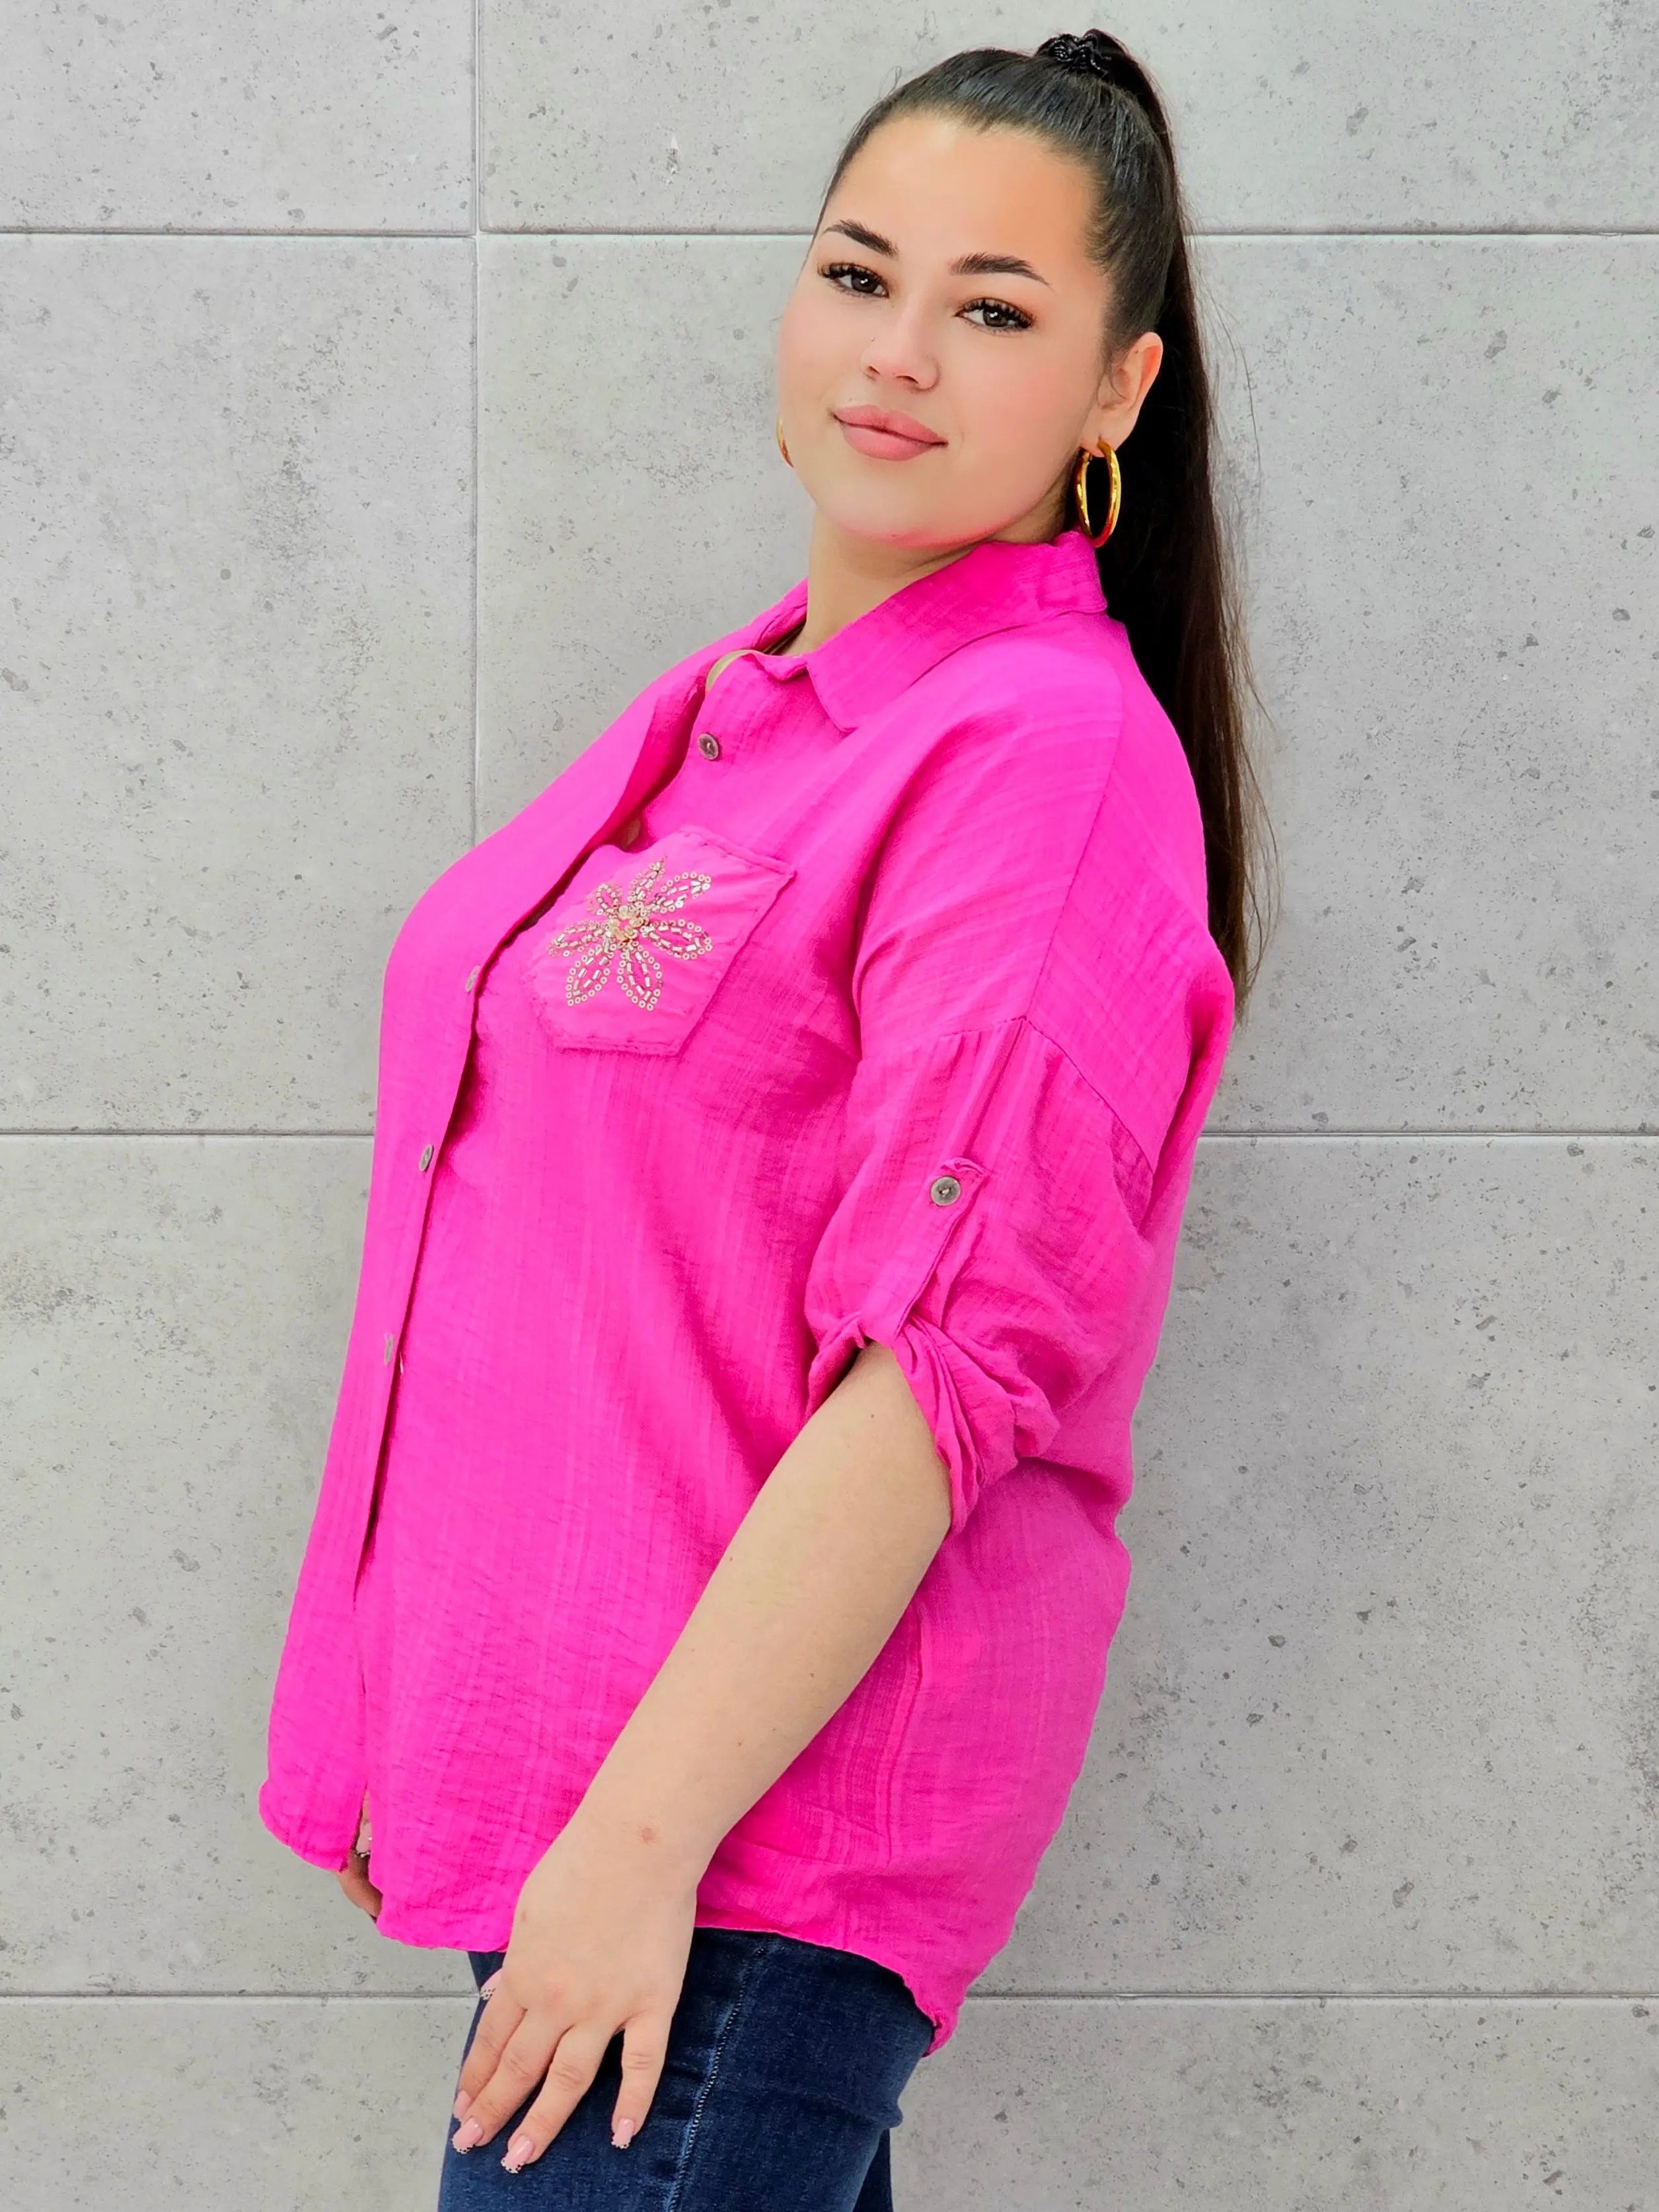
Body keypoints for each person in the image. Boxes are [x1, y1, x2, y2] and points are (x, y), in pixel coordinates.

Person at [256, 25, 1274, 2208]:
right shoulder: (740, 718)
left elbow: (940, 1376)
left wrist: (634, 1846)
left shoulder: (1042, 759)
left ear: (1116, 392)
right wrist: (413, 1715)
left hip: (731, 1854)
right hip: (614, 1827)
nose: (897, 353)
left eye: (993, 309)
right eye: (859, 272)